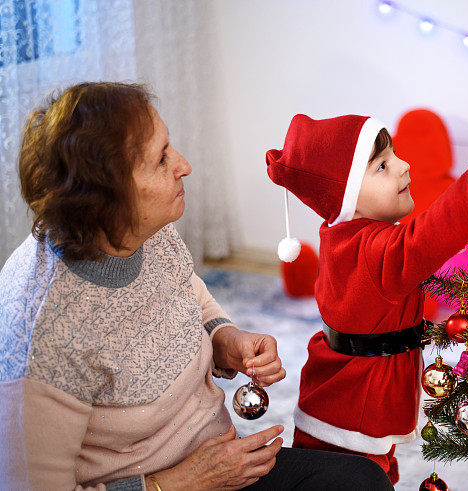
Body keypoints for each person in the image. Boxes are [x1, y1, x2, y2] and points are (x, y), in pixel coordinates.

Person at [0, 82, 393, 491]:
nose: (184, 165)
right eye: (161, 159)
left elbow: (189, 295)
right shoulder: (42, 333)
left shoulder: (145, 231)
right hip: (176, 483)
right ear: (105, 199)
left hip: (216, 466)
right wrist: (179, 482)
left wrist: (226, 338)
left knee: (362, 481)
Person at [265, 100, 468, 483]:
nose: (403, 165)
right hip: (357, 407)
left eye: (394, 153)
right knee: (352, 476)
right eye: (382, 165)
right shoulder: (376, 251)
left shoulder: (343, 235)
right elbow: (435, 231)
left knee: (369, 467)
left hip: (349, 392)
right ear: (347, 196)